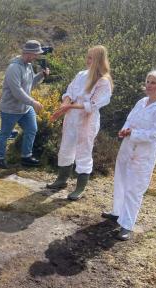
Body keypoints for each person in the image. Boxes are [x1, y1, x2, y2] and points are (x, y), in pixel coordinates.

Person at [102, 69, 156, 241]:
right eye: (148, 81)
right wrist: (124, 130)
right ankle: (117, 212)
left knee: (135, 188)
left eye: (153, 82)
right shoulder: (142, 101)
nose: (149, 85)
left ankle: (127, 224)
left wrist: (133, 133)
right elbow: (129, 119)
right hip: (127, 147)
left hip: (144, 152)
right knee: (120, 180)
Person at [47, 45, 113, 200]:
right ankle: (61, 180)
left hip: (87, 120)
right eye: (87, 57)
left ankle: (79, 187)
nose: (87, 60)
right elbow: (70, 91)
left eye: (91, 58)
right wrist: (65, 104)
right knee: (65, 147)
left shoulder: (104, 81)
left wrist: (69, 106)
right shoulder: (81, 74)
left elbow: (93, 105)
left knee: (83, 152)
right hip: (71, 117)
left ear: (99, 61)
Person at [0, 40, 50, 169]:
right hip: (10, 109)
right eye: (36, 54)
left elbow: (30, 84)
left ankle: (26, 157)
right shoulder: (14, 68)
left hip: (25, 108)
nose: (37, 57)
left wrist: (41, 75)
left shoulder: (28, 65)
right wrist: (33, 102)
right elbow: (16, 91)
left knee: (31, 129)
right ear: (29, 53)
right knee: (5, 134)